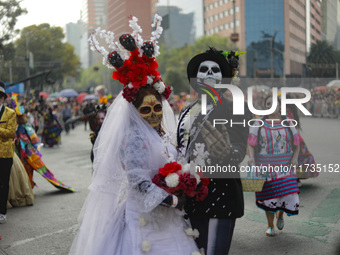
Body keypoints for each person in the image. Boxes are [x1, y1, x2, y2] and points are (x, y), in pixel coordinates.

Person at [70, 15, 199, 255]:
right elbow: (137, 180)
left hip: (167, 214)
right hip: (143, 215)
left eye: (157, 108)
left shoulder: (164, 134)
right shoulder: (135, 138)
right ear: (135, 111)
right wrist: (169, 199)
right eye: (146, 110)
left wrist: (183, 183)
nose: (153, 114)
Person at [177, 48, 250, 254]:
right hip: (191, 196)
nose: (209, 73)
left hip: (222, 196)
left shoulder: (236, 107)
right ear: (195, 77)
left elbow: (239, 149)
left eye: (215, 70)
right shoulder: (186, 111)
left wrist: (227, 152)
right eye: (204, 69)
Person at [248, 95, 300, 237]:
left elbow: (297, 144)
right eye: (267, 104)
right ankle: (270, 226)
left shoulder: (288, 123)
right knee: (269, 197)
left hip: (285, 166)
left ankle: (280, 215)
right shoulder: (258, 124)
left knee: (286, 193)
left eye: (273, 103)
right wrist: (252, 158)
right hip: (265, 167)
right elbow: (251, 144)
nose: (270, 106)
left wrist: (295, 158)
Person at [14, 105, 74, 192]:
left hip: (27, 154)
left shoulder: (25, 126)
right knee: (26, 171)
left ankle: (28, 188)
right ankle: (27, 188)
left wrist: (22, 140)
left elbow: (34, 139)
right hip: (25, 153)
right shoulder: (20, 126)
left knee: (28, 171)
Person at [0, 81, 17, 224]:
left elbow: (11, 133)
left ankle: (2, 211)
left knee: (3, 183)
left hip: (5, 154)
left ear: (3, 98)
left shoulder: (10, 113)